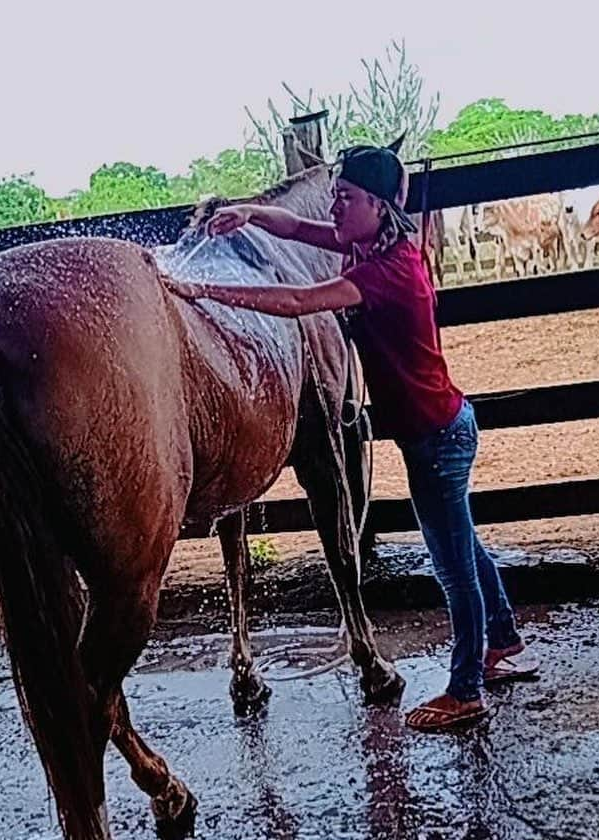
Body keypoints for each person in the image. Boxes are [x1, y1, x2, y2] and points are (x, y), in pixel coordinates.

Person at [162, 143, 537, 731]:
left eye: (347, 197)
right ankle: (503, 638)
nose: (336, 206)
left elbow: (297, 301)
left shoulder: (383, 272)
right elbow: (297, 225)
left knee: (451, 564)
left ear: (379, 206)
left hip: (437, 438)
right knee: (463, 543)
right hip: (440, 430)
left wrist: (205, 294)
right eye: (335, 194)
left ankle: (467, 688)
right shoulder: (370, 241)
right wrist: (251, 214)